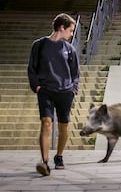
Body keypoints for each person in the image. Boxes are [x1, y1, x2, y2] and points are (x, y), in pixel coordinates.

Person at [27, 13, 80, 176]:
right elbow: (32, 68)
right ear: (61, 28)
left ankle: (59, 156)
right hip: (46, 91)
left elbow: (75, 73)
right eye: (71, 31)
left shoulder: (70, 49)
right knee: (46, 123)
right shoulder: (39, 45)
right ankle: (44, 162)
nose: (72, 34)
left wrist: (73, 89)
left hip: (65, 92)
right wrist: (36, 87)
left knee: (64, 126)